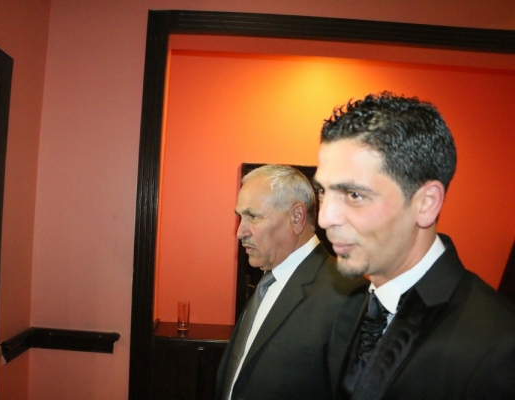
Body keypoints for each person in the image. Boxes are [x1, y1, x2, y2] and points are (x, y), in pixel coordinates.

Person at [314, 92, 515, 400]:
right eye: (322, 192)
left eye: (354, 195)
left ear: (426, 203)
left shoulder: (499, 344)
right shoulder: (350, 308)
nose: (325, 218)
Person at [216, 164, 367, 400]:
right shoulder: (267, 282)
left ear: (296, 217)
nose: (240, 232)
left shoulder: (347, 294)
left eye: (253, 216)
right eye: (240, 217)